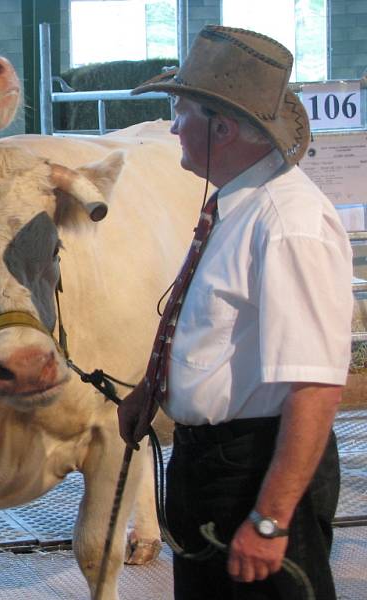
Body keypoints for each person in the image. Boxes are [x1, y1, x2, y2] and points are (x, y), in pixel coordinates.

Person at [118, 25, 353, 600]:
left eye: (180, 111)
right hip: (213, 463)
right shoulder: (236, 207)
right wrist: (153, 386)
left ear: (221, 127)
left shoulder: (286, 223)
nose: (172, 126)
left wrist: (270, 520)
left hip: (257, 470)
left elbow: (315, 389)